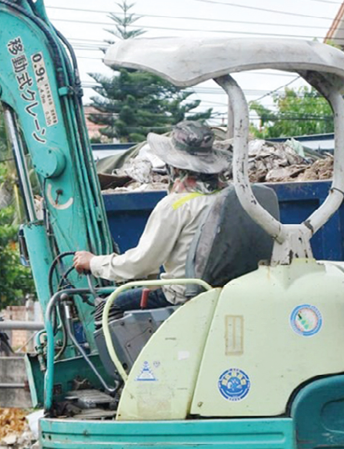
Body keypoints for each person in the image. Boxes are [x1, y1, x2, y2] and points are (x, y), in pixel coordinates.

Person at [73, 120, 229, 312]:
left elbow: (141, 263)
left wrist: (93, 262)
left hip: (183, 295)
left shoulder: (177, 205)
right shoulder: (232, 197)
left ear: (175, 167)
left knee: (108, 308)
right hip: (225, 293)